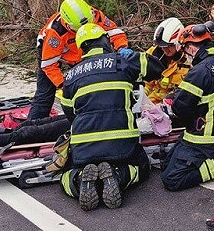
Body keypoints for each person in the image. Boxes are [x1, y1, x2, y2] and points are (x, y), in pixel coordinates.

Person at [58, 23, 167, 210]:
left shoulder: (71, 76)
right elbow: (157, 68)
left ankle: (77, 179)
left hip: (85, 148)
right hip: (122, 144)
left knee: (64, 175)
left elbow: (69, 113)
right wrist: (132, 55)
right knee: (141, 167)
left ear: (82, 47)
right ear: (105, 40)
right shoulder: (123, 62)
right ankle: (117, 175)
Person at [160, 21, 214, 191]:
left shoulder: (200, 71)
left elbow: (180, 108)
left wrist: (170, 104)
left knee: (171, 180)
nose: (185, 55)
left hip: (204, 138)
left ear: (191, 47)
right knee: (165, 164)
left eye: (184, 49)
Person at [29, 0, 128, 120]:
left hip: (84, 51)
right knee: (45, 94)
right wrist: (63, 85)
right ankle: (33, 126)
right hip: (53, 56)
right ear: (68, 24)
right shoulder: (55, 32)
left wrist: (122, 48)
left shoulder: (95, 15)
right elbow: (48, 65)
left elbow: (115, 33)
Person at [145, 17, 190, 103]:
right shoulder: (153, 54)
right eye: (161, 46)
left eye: (168, 46)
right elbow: (146, 83)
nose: (164, 50)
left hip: (175, 105)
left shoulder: (188, 59)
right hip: (151, 104)